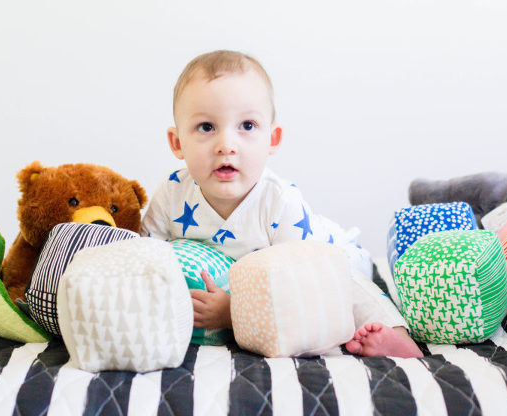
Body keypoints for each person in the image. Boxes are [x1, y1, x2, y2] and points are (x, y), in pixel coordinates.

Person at [141, 50, 422, 358]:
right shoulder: (171, 193)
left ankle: (395, 335)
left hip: (320, 254)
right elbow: (143, 257)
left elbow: (301, 291)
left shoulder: (279, 201)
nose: (226, 146)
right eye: (207, 127)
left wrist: (232, 312)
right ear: (177, 142)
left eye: (247, 126)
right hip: (249, 279)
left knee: (348, 280)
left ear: (272, 139)